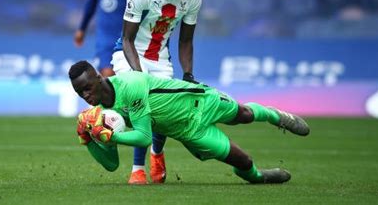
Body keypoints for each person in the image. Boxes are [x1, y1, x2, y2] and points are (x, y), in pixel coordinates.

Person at [69, 61, 310, 184]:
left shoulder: (130, 86)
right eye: (81, 93)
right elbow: (111, 164)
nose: (86, 96)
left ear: (99, 78)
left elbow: (143, 137)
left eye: (88, 88)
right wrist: (89, 141)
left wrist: (112, 137)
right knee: (243, 161)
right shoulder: (101, 116)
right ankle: (260, 177)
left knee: (244, 115)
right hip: (188, 131)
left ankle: (275, 116)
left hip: (198, 101)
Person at [111, 0, 202, 184]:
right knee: (142, 104)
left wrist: (188, 74)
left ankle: (157, 153)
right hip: (128, 53)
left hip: (160, 57)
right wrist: (139, 77)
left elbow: (186, 40)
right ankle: (137, 170)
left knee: (164, 112)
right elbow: (127, 39)